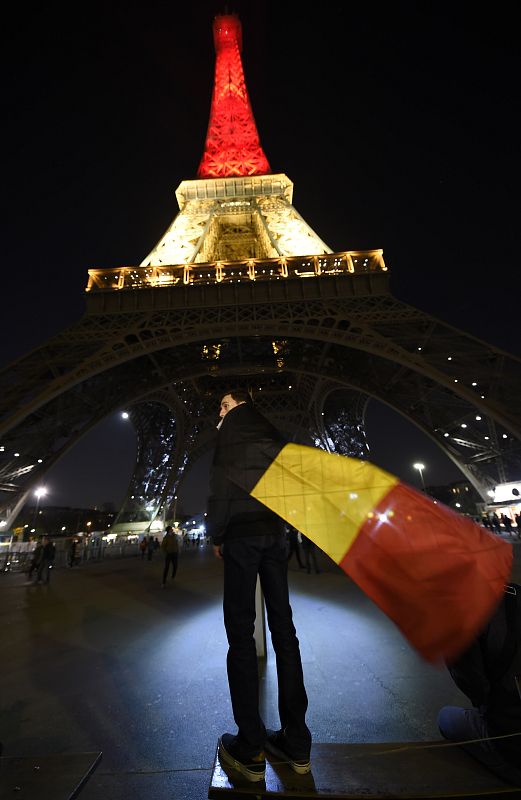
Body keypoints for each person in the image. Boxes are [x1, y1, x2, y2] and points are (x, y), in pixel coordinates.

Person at [207, 389, 311, 783]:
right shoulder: (269, 430)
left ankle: (250, 746)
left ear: (238, 403)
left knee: (240, 634)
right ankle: (297, 741)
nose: (219, 410)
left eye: (224, 404)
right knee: (285, 631)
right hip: (274, 535)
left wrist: (218, 534)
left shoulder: (230, 431)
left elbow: (219, 486)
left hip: (241, 538)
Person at [437, 582, 521, 786]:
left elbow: (477, 691)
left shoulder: (459, 613)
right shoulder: (515, 592)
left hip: (513, 744)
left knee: (445, 717)